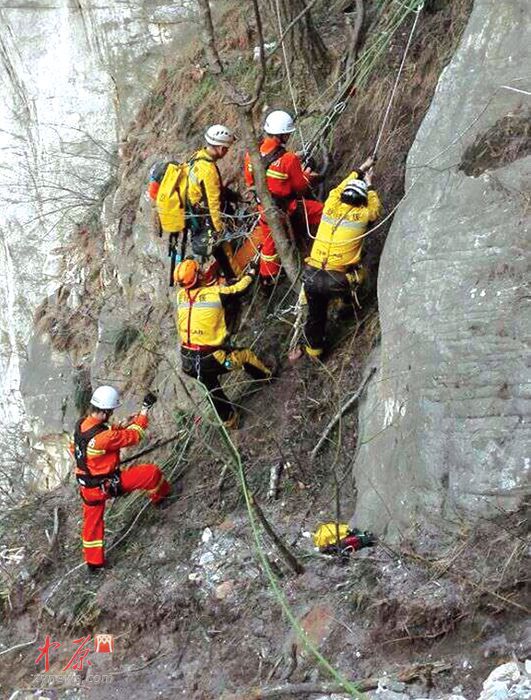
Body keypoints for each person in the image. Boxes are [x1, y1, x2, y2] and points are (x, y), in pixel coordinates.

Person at [71, 386, 171, 571]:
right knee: (151, 473)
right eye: (111, 412)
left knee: (92, 524)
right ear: (107, 411)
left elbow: (96, 438)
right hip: (106, 484)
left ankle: (94, 564)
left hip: (87, 488)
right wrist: (144, 411)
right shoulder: (104, 437)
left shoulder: (81, 425)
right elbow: (135, 435)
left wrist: (122, 424)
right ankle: (162, 499)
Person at [299, 156, 382, 359]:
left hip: (311, 276)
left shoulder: (330, 205)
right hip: (335, 281)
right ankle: (346, 307)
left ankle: (314, 352)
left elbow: (339, 188)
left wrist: (361, 168)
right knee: (359, 272)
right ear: (361, 200)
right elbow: (376, 209)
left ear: (344, 196)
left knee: (315, 316)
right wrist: (370, 184)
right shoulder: (363, 215)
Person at [175, 259, 272, 427]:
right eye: (200, 271)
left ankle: (229, 421)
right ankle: (266, 377)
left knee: (213, 389)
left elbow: (200, 302)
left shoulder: (180, 297)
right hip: (210, 358)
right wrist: (252, 272)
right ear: (198, 276)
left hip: (187, 360)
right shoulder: (215, 294)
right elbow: (240, 289)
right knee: (245, 355)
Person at [243, 110, 324, 286]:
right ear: (282, 135)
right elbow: (300, 187)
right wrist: (308, 175)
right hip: (288, 209)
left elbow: (250, 182)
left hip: (263, 210)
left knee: (269, 243)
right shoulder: (289, 159)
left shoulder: (251, 155)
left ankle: (267, 278)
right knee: (324, 212)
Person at [187, 124, 239, 280]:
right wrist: (219, 230)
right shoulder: (208, 170)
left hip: (196, 213)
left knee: (221, 254)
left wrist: (232, 196)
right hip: (206, 218)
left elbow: (210, 190)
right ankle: (235, 282)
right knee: (224, 255)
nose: (227, 152)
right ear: (221, 148)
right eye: (226, 149)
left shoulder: (197, 157)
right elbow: (213, 204)